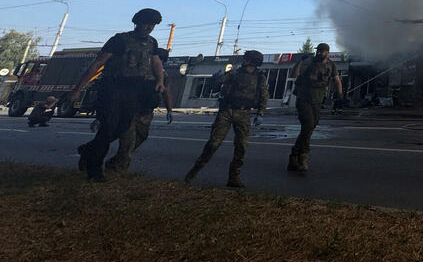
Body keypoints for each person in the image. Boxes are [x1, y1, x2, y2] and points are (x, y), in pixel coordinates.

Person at [69, 8, 165, 181]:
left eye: (152, 24)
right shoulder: (120, 40)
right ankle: (94, 170)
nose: (149, 27)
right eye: (146, 23)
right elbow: (98, 63)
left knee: (121, 127)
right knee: (108, 128)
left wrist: (160, 81)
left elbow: (156, 62)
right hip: (113, 88)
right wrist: (77, 89)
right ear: (137, 22)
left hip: (134, 90)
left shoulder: (152, 42)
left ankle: (88, 150)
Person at [184, 50, 268, 188]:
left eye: (246, 58)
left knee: (241, 146)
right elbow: (216, 86)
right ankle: (192, 173)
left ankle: (234, 177)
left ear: (253, 61)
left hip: (244, 113)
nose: (244, 60)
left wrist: (261, 112)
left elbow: (264, 94)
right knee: (213, 144)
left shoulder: (260, 77)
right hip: (227, 111)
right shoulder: (234, 73)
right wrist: (215, 80)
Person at [106, 48, 174, 173]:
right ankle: (117, 169)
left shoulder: (163, 76)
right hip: (131, 110)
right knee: (127, 141)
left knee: (141, 136)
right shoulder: (140, 72)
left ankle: (114, 160)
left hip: (146, 112)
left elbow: (166, 93)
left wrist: (169, 110)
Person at [288, 42, 342, 173]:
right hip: (304, 99)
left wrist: (340, 94)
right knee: (308, 125)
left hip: (318, 101)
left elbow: (336, 79)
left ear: (327, 52)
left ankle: (294, 154)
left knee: (311, 127)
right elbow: (294, 74)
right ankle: (303, 157)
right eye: (318, 51)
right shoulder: (309, 63)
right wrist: (300, 60)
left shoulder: (331, 65)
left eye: (322, 51)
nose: (319, 53)